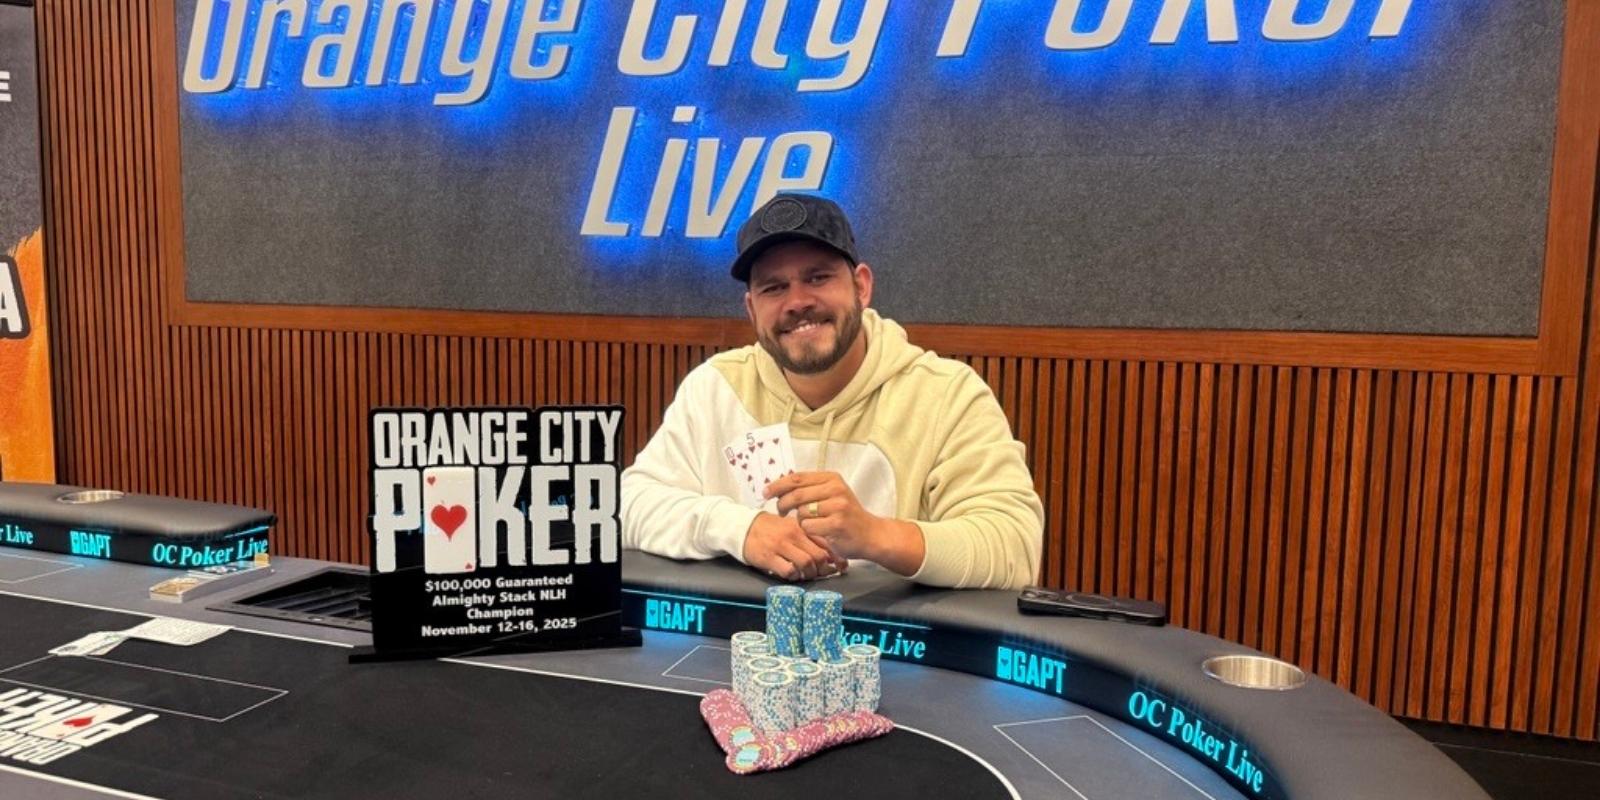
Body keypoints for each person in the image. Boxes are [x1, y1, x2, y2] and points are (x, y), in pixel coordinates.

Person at [620, 194, 1043, 590]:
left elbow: (1014, 549)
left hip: (890, 656)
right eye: (774, 287)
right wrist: (739, 529)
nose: (798, 301)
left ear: (861, 286)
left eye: (817, 277)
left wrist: (874, 535)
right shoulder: (714, 387)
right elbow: (628, 507)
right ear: (752, 309)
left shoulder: (946, 395)